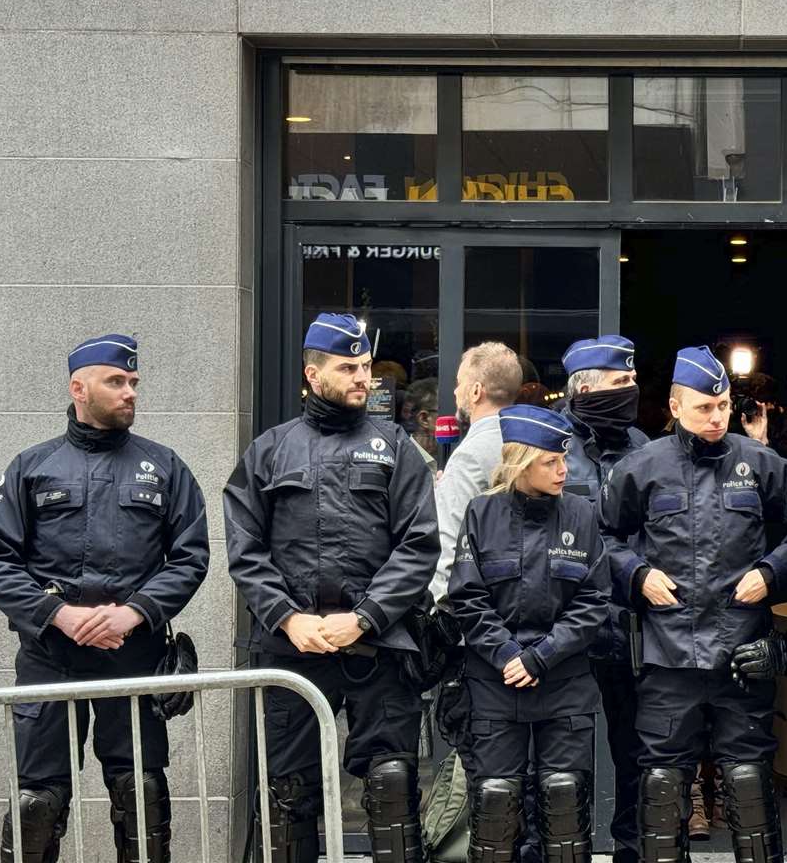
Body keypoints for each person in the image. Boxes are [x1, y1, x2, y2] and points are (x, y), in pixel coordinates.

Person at [0, 333, 210, 863]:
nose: (130, 392)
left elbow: (192, 556)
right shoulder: (31, 468)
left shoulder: (164, 467)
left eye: (134, 383)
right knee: (37, 803)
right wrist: (56, 613)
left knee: (141, 796)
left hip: (134, 657)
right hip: (50, 658)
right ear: (79, 387)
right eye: (116, 381)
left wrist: (133, 612)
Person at [224, 313, 440, 862]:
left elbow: (418, 546)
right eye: (348, 367)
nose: (362, 377)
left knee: (392, 788)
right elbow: (245, 550)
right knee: (289, 796)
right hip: (294, 649)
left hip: (380, 647)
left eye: (366, 366)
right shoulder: (270, 451)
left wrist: (364, 617)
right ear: (313, 374)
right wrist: (288, 618)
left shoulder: (395, 447)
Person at [601, 345, 787, 863]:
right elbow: (601, 537)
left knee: (749, 783)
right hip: (667, 656)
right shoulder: (641, 467)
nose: (715, 417)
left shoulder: (759, 464)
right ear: (674, 404)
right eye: (704, 407)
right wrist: (637, 575)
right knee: (662, 786)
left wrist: (771, 572)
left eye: (724, 406)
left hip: (742, 652)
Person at [448, 405, 611, 863]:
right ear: (520, 462)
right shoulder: (482, 515)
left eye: (564, 460)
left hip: (564, 681)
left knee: (564, 804)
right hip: (495, 683)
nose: (564, 470)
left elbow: (595, 599)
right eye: (551, 462)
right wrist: (507, 656)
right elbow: (467, 597)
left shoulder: (581, 514)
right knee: (497, 806)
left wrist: (541, 657)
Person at [560, 335, 651, 863]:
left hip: (629, 631)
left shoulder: (644, 447)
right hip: (564, 635)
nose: (631, 391)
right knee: (563, 764)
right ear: (586, 388)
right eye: (621, 383)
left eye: (632, 382)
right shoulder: (550, 446)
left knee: (636, 759)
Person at [433, 342, 523, 605]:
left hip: (478, 615)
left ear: (475, 391)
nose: (455, 391)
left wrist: (440, 610)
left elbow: (449, 542)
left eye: (459, 383)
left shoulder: (469, 456)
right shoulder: (532, 446)